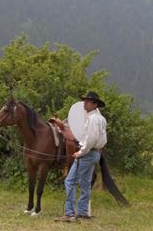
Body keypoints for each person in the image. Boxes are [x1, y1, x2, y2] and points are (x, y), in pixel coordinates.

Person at [57, 91, 108, 222]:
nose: (84, 103)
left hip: (88, 153)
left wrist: (80, 152)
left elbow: (90, 140)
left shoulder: (92, 119)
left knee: (70, 181)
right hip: (95, 153)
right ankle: (83, 213)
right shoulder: (100, 119)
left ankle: (69, 214)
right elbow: (103, 139)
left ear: (95, 104)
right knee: (85, 183)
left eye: (88, 101)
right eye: (85, 100)